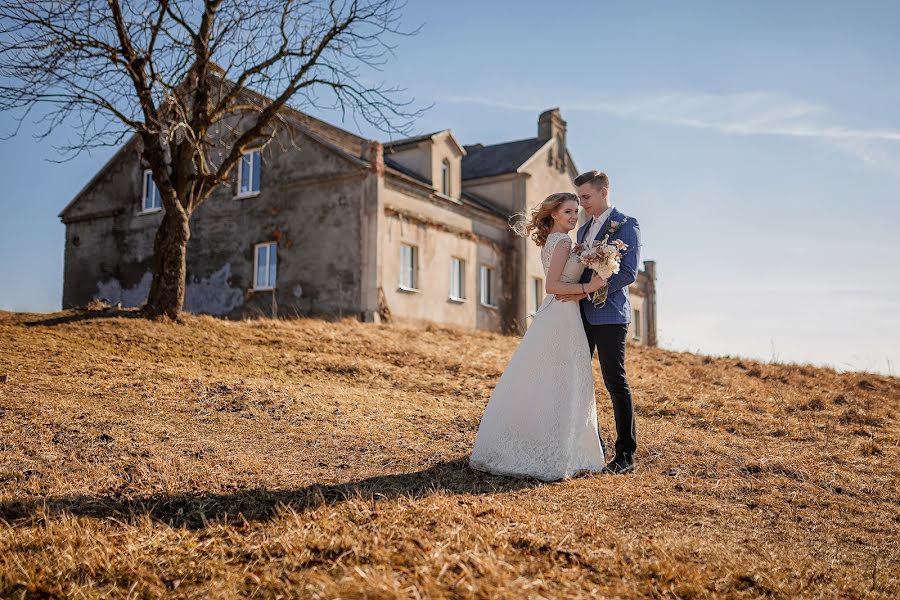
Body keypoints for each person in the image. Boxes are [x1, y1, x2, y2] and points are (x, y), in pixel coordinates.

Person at [469, 193, 607, 481]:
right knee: (561, 377)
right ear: (554, 214)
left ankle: (551, 441)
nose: (573, 216)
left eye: (576, 211)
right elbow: (552, 286)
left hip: (558, 314)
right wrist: (589, 287)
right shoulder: (563, 242)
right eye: (567, 211)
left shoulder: (558, 242)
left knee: (549, 377)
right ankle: (553, 447)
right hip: (561, 313)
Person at [558, 170, 641, 474]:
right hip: (580, 313)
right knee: (579, 379)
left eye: (586, 197)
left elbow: (628, 272)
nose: (581, 204)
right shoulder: (581, 232)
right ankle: (589, 447)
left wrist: (594, 289)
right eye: (579, 198)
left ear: (604, 192)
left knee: (614, 381)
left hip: (609, 315)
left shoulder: (626, 224)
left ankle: (625, 455)